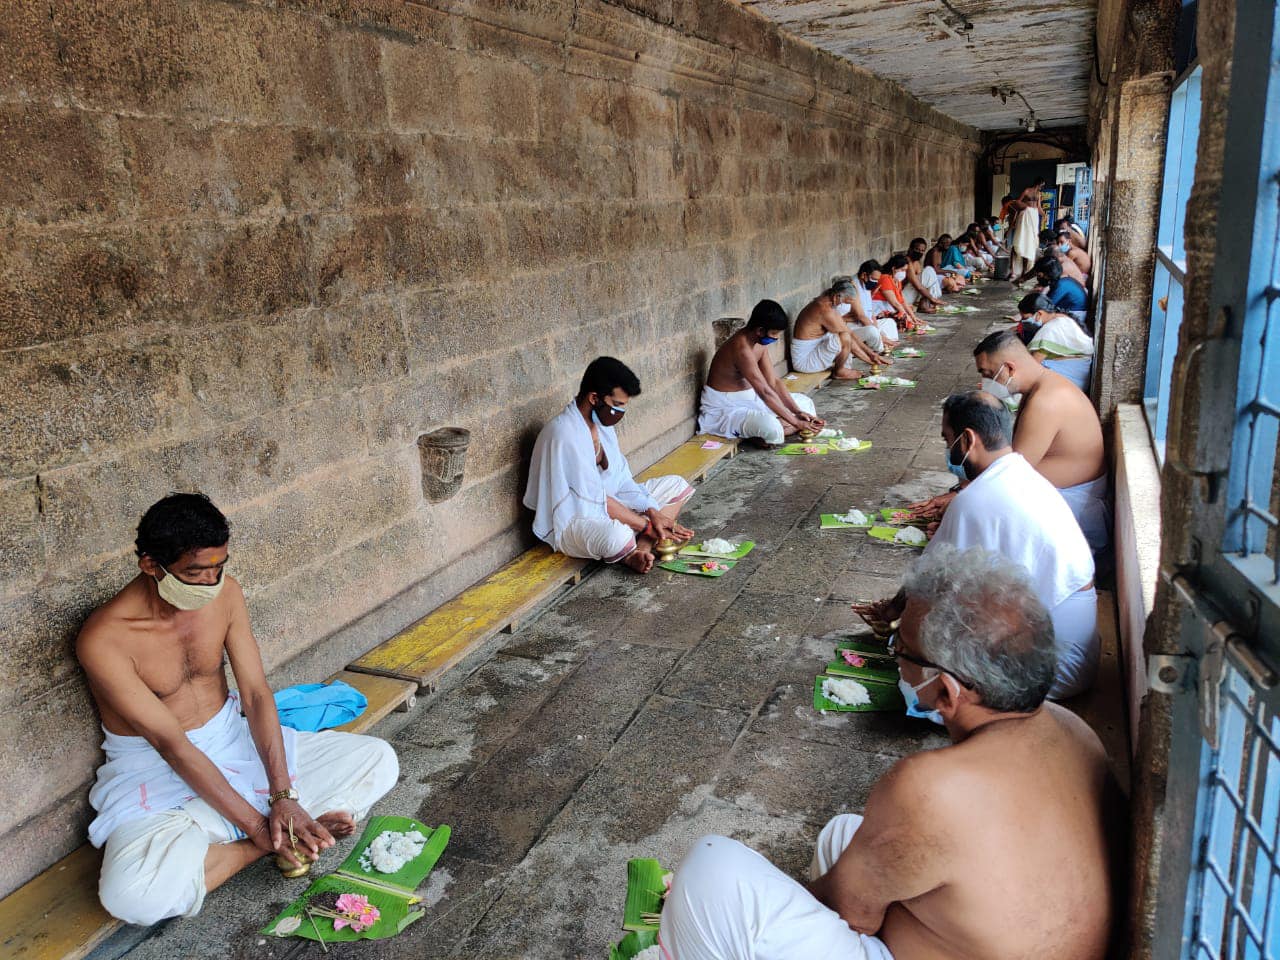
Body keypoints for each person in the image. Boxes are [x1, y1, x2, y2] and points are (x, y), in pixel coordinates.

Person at [661, 543, 1120, 960]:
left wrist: (782, 900)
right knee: (844, 834)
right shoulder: (1074, 730)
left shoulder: (930, 788)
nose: (895, 656)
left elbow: (849, 912)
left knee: (711, 869)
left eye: (901, 649)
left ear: (946, 691)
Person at [80, 494, 400, 926]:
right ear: (151, 565)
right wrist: (257, 828)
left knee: (378, 759)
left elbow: (255, 695)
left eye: (219, 566)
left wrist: (282, 794)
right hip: (155, 771)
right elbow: (171, 745)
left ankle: (280, 827)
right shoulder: (105, 639)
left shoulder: (225, 595)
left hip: (233, 737)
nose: (211, 580)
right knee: (133, 898)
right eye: (195, 572)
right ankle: (269, 844)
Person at [861, 393, 1098, 697]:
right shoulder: (1022, 474)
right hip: (1072, 644)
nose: (948, 451)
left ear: (968, 439)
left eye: (948, 441)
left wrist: (893, 616)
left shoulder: (974, 499)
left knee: (917, 672)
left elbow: (928, 583)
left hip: (1053, 661)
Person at [525, 357, 694, 574]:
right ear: (595, 398)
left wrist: (652, 511)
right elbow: (595, 498)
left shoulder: (601, 424)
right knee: (618, 536)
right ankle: (637, 543)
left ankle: (641, 549)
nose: (621, 413)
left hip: (613, 505)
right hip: (575, 519)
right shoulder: (564, 433)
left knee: (676, 486)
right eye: (617, 405)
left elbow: (621, 479)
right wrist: (647, 524)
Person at [972, 330, 1108, 552]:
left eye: (987, 374)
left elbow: (1013, 474)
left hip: (1073, 507)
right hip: (1060, 497)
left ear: (1009, 368)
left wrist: (964, 497)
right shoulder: (1041, 386)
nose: (985, 382)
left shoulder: (1046, 400)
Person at [698, 299, 823, 448]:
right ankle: (769, 430)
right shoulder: (741, 349)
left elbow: (773, 382)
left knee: (806, 403)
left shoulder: (760, 343)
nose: (776, 338)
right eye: (774, 333)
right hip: (727, 407)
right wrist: (795, 422)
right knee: (772, 427)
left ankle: (763, 432)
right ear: (760, 330)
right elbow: (764, 392)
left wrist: (797, 411)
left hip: (752, 399)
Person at [791, 278, 891, 378]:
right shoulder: (824, 309)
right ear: (836, 297)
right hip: (805, 361)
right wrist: (870, 358)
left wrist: (871, 355)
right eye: (845, 302)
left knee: (844, 335)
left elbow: (850, 334)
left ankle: (844, 368)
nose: (844, 306)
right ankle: (839, 371)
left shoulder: (826, 302)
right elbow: (848, 338)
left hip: (814, 350)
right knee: (844, 337)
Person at [856, 260, 904, 348]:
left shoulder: (866, 285)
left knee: (889, 323)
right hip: (855, 325)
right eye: (873, 279)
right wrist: (880, 335)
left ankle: (887, 344)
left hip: (866, 322)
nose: (875, 282)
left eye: (877, 280)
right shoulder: (854, 286)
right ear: (864, 275)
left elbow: (871, 314)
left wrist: (879, 331)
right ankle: (880, 347)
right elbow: (861, 316)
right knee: (872, 331)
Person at [872, 254, 920, 331]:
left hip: (887, 308)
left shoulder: (897, 281)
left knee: (908, 310)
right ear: (894, 268)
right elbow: (895, 303)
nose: (904, 273)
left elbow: (902, 301)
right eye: (902, 270)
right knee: (901, 322)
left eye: (905, 270)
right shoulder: (885, 278)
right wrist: (907, 317)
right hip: (878, 309)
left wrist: (913, 317)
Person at [1036, 257, 1088, 324]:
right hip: (1068, 309)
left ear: (1047, 274)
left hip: (1076, 316)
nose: (1038, 277)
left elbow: (1047, 305)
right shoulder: (1060, 280)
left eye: (1040, 275)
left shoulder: (1061, 285)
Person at [902, 248, 943, 313]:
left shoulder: (917, 262)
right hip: (903, 297)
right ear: (911, 249)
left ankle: (925, 303)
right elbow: (918, 285)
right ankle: (925, 304)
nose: (920, 252)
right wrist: (932, 298)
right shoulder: (907, 261)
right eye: (917, 249)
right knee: (929, 270)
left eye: (922, 250)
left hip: (911, 296)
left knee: (930, 273)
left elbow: (924, 284)